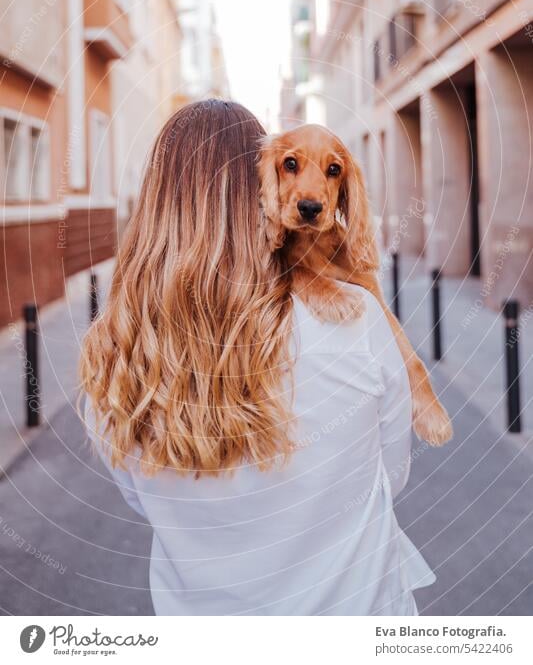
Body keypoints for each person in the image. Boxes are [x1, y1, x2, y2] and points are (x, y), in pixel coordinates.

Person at [80, 99, 435, 616]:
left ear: (154, 205)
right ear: (260, 192)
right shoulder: (355, 319)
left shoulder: (115, 354)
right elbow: (392, 473)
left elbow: (140, 498)